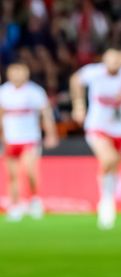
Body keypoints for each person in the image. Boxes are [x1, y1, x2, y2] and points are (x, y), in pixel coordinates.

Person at [69, 47, 121, 230]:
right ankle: (105, 202)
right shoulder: (93, 72)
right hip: (97, 126)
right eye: (110, 58)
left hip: (120, 129)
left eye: (117, 59)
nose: (113, 62)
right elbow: (75, 80)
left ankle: (109, 198)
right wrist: (78, 104)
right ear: (103, 59)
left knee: (114, 167)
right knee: (108, 159)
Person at [0, 63, 58, 221]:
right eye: (14, 72)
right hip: (10, 139)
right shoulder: (3, 92)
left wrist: (51, 134)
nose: (17, 75)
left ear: (26, 74)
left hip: (30, 138)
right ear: (9, 74)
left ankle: (34, 200)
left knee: (29, 171)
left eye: (20, 72)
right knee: (12, 175)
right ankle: (15, 205)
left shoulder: (35, 91)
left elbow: (46, 113)